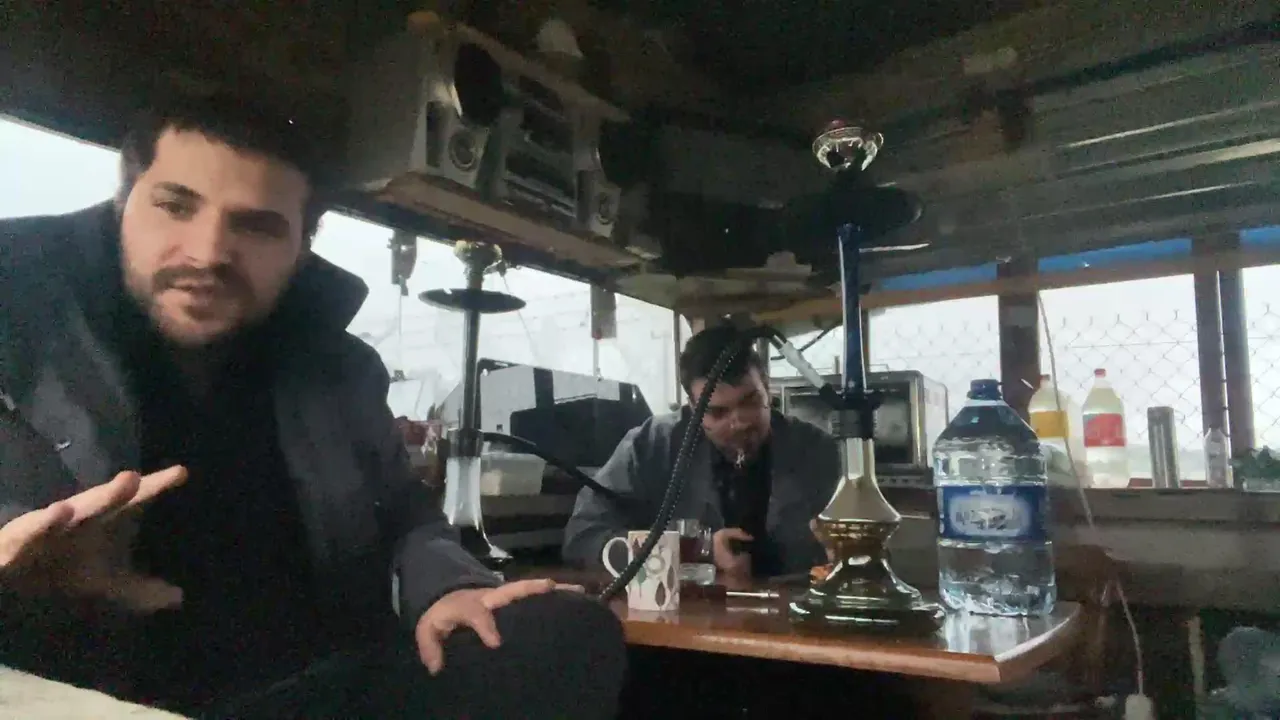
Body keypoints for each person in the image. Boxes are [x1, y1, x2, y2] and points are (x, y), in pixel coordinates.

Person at [0, 92, 625, 718]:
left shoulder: (339, 369)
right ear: (123, 202)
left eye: (257, 226)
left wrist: (445, 587)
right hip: (92, 695)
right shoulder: (16, 323)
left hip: (313, 685)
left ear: (302, 247)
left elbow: (404, 515)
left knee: (567, 630)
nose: (208, 253)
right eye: (176, 206)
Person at [563, 324, 840, 579]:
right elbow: (583, 535)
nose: (739, 423)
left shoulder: (819, 452)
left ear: (767, 388)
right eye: (718, 412)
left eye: (750, 402)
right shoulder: (651, 446)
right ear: (693, 407)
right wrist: (695, 551)